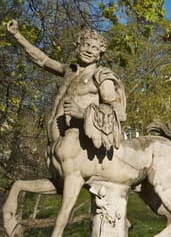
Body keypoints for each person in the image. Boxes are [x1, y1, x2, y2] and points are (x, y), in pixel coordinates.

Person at [7, 20, 126, 158]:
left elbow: (117, 113)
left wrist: (82, 113)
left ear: (99, 55)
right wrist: (17, 35)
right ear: (77, 46)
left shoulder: (101, 76)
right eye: (86, 45)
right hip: (54, 144)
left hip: (80, 146)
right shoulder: (69, 70)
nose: (88, 50)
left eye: (94, 48)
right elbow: (42, 60)